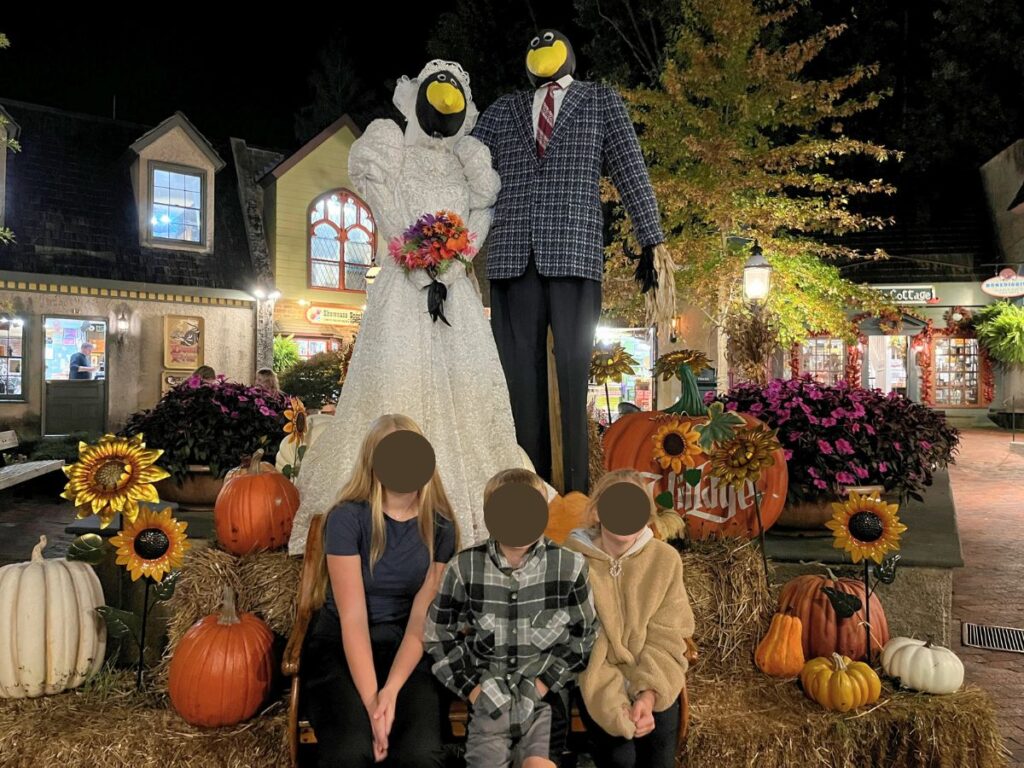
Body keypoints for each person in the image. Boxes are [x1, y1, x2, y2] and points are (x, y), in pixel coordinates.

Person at [289, 60, 528, 555]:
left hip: (455, 295)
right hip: (402, 288)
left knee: (470, 393)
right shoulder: (389, 147)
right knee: (396, 387)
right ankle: (389, 515)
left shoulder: (470, 162)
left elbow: (482, 212)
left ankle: (466, 515)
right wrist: (419, 258)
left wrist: (458, 260)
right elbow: (384, 208)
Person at [473, 30, 668, 494]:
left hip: (574, 254)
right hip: (512, 257)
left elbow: (629, 167)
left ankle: (575, 493)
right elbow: (466, 167)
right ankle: (526, 491)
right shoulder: (501, 110)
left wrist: (652, 240)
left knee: (573, 375)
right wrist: (438, 236)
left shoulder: (601, 102)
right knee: (519, 380)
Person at [302, 414, 458, 768]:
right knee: (350, 750)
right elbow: (353, 618)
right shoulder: (346, 518)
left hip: (409, 647)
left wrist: (391, 691)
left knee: (419, 753)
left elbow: (422, 618)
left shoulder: (441, 525)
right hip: (343, 646)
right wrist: (374, 704)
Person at [425, 468, 596, 768]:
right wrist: (473, 690)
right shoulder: (464, 567)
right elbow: (438, 634)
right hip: (489, 694)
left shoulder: (569, 566)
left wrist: (545, 683)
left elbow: (585, 637)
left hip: (544, 693)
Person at [563, 469, 695, 768]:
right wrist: (615, 704)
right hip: (598, 677)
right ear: (597, 512)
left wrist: (646, 696)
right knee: (621, 756)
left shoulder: (664, 560)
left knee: (660, 741)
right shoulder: (571, 561)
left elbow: (668, 634)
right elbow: (583, 642)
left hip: (652, 671)